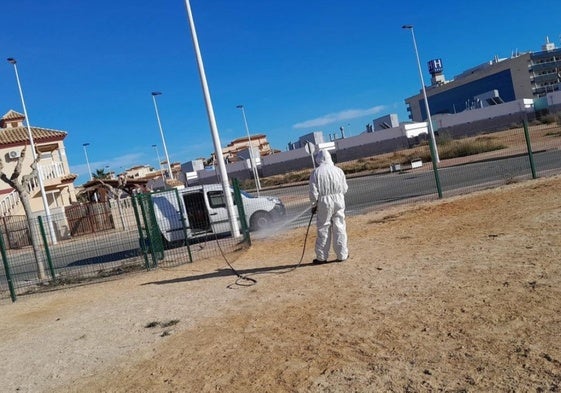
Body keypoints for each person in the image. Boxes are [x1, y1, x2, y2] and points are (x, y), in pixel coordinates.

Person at [309, 149, 349, 263]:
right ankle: (342, 255)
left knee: (323, 228)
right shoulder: (338, 170)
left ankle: (321, 257)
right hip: (339, 200)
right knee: (340, 227)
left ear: (319, 159)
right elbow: (344, 188)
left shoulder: (316, 173)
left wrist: (314, 205)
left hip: (323, 202)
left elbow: (313, 192)